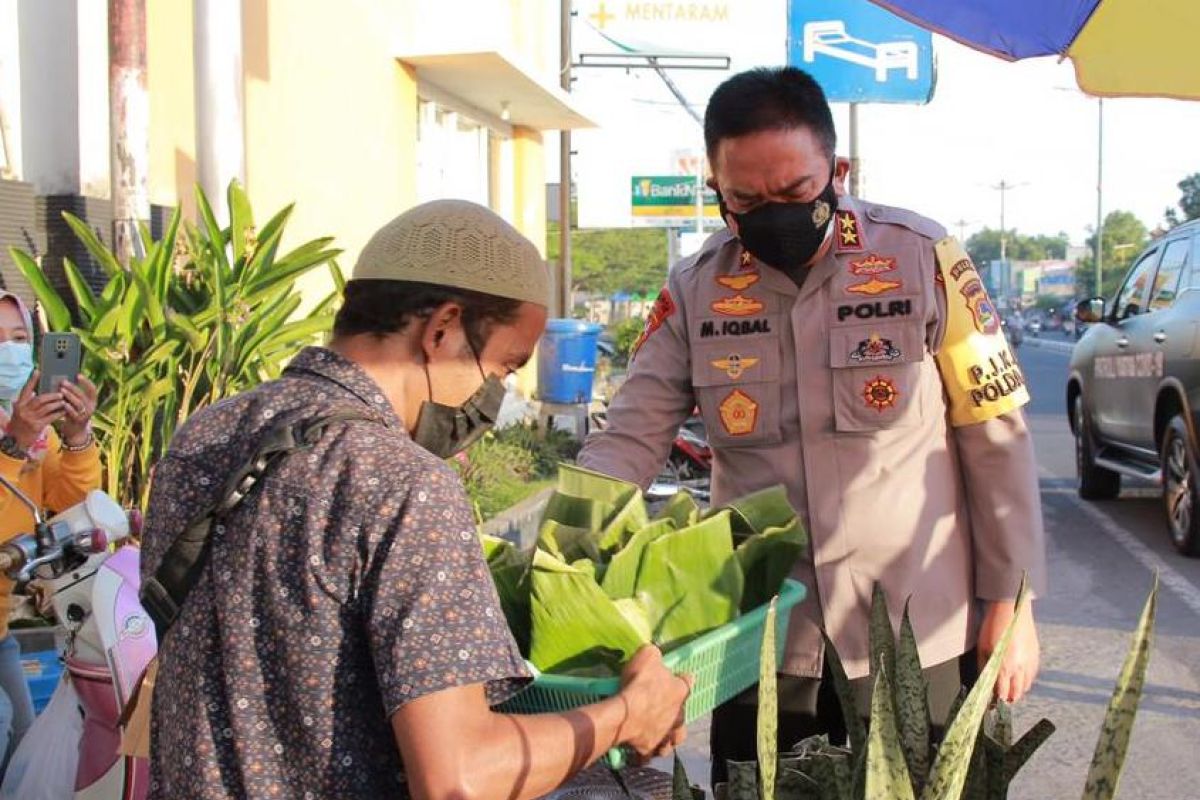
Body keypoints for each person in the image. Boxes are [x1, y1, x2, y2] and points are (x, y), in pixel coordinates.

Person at [576, 67, 1046, 783]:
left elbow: (994, 435)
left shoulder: (922, 259)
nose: (774, 213)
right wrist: (560, 557)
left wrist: (1011, 607)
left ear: (838, 170)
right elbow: (629, 439)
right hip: (764, 643)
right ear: (717, 190)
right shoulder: (696, 288)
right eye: (746, 199)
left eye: (795, 193)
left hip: (918, 633)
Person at [140, 200, 690, 800]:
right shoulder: (403, 482)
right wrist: (628, 714)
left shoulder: (207, 434)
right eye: (504, 367)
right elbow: (460, 779)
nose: (496, 395)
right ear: (443, 330)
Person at [0, 290, 100, 764]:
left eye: (20, 338)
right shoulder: (19, 433)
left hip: (0, 628)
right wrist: (13, 446)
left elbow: (68, 509)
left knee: (23, 746)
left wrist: (76, 436)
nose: (11, 351)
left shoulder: (28, 428)